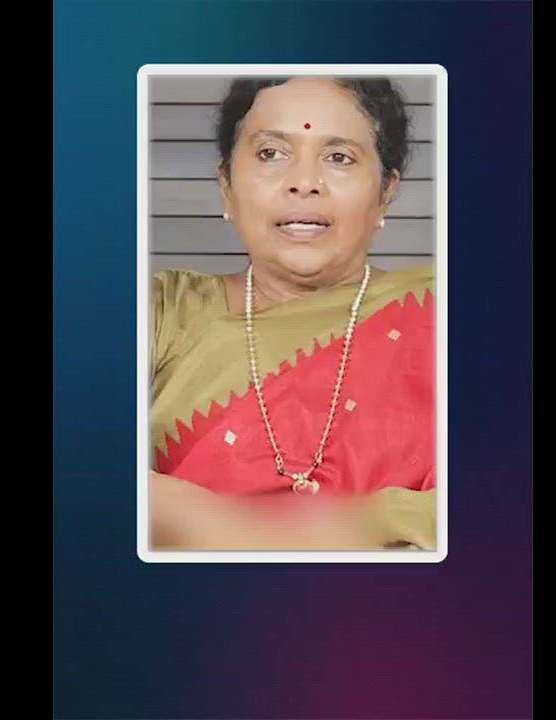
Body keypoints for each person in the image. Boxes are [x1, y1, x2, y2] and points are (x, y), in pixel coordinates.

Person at [150, 76, 435, 550]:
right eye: (270, 153)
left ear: (385, 192)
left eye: (338, 157)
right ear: (225, 185)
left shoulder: (446, 311)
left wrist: (370, 521)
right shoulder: (159, 311)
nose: (304, 183)